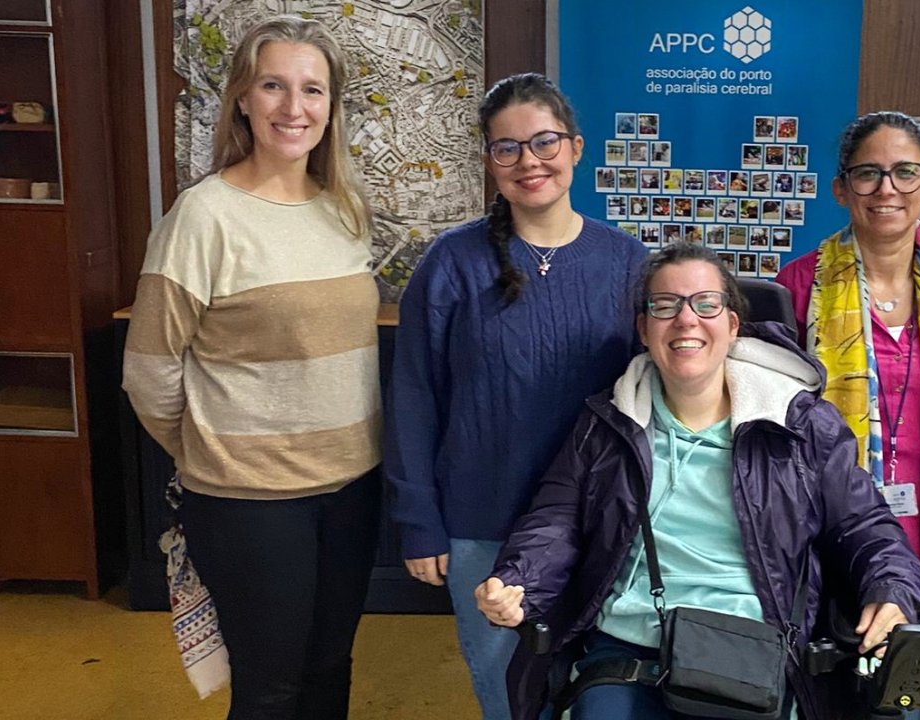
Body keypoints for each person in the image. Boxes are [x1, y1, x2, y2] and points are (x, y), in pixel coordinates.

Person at [475, 243, 920, 720]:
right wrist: (518, 580)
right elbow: (557, 521)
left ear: (732, 325)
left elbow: (865, 526)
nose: (686, 319)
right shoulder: (605, 424)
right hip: (630, 648)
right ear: (643, 329)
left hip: (755, 647)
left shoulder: (802, 425)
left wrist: (890, 589)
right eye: (664, 305)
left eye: (706, 303)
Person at [122, 15, 380, 718]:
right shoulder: (203, 217)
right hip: (249, 501)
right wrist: (213, 449)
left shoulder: (342, 212)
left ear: (332, 107)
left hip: (352, 488)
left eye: (312, 90)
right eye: (273, 85)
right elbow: (149, 371)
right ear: (242, 97)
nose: (293, 108)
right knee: (270, 688)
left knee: (330, 668)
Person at [385, 72, 649, 720]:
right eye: (507, 148)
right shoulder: (451, 263)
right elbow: (415, 394)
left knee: (599, 696)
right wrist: (419, 519)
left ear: (577, 147)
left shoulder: (628, 263)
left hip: (598, 523)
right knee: (510, 698)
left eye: (544, 142)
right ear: (488, 161)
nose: (528, 161)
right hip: (482, 521)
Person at [775, 111, 920, 719]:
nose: (887, 189)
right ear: (841, 188)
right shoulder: (800, 285)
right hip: (835, 533)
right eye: (868, 174)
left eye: (905, 173)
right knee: (844, 693)